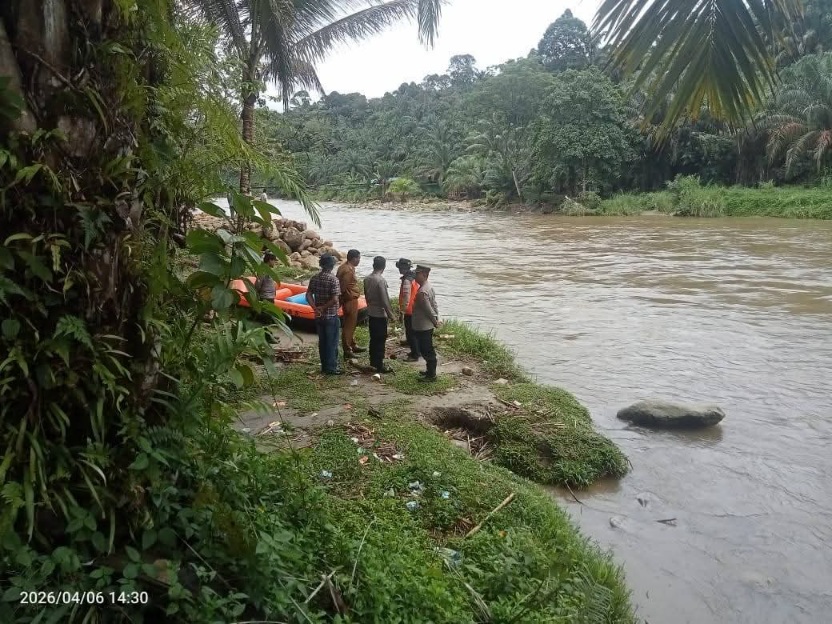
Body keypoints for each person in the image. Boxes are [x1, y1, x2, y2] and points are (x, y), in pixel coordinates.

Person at [306, 254, 343, 375]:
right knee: (332, 342)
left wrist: (315, 308)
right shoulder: (333, 279)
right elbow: (335, 299)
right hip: (331, 315)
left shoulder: (315, 278)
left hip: (318, 316)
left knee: (322, 342)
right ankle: (331, 368)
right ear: (331, 266)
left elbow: (308, 295)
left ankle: (324, 366)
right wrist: (323, 307)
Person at [363, 256, 396, 374]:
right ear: (384, 266)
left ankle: (373, 362)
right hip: (380, 315)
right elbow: (384, 300)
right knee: (380, 340)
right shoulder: (380, 280)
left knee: (373, 339)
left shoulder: (367, 279)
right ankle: (379, 365)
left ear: (373, 265)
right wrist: (391, 315)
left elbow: (366, 295)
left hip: (371, 312)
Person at [411, 265, 440, 382]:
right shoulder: (428, 287)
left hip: (423, 326)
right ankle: (429, 370)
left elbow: (428, 309)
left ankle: (431, 375)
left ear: (424, 274)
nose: (415, 276)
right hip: (426, 324)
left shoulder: (422, 292)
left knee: (426, 349)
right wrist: (436, 318)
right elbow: (434, 305)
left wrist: (435, 321)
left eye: (417, 274)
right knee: (426, 348)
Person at [336, 249, 365, 357]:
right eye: (358, 258)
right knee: (349, 325)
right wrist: (342, 300)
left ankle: (352, 344)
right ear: (354, 259)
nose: (359, 260)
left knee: (351, 324)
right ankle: (347, 350)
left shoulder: (345, 267)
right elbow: (342, 288)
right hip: (349, 300)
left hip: (350, 299)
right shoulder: (348, 270)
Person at [396, 258, 421, 362]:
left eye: (400, 268)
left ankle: (415, 355)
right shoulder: (414, 277)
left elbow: (406, 296)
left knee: (410, 333)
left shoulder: (407, 280)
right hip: (415, 308)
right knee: (414, 332)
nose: (399, 270)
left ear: (403, 268)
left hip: (409, 310)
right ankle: (417, 351)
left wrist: (402, 311)